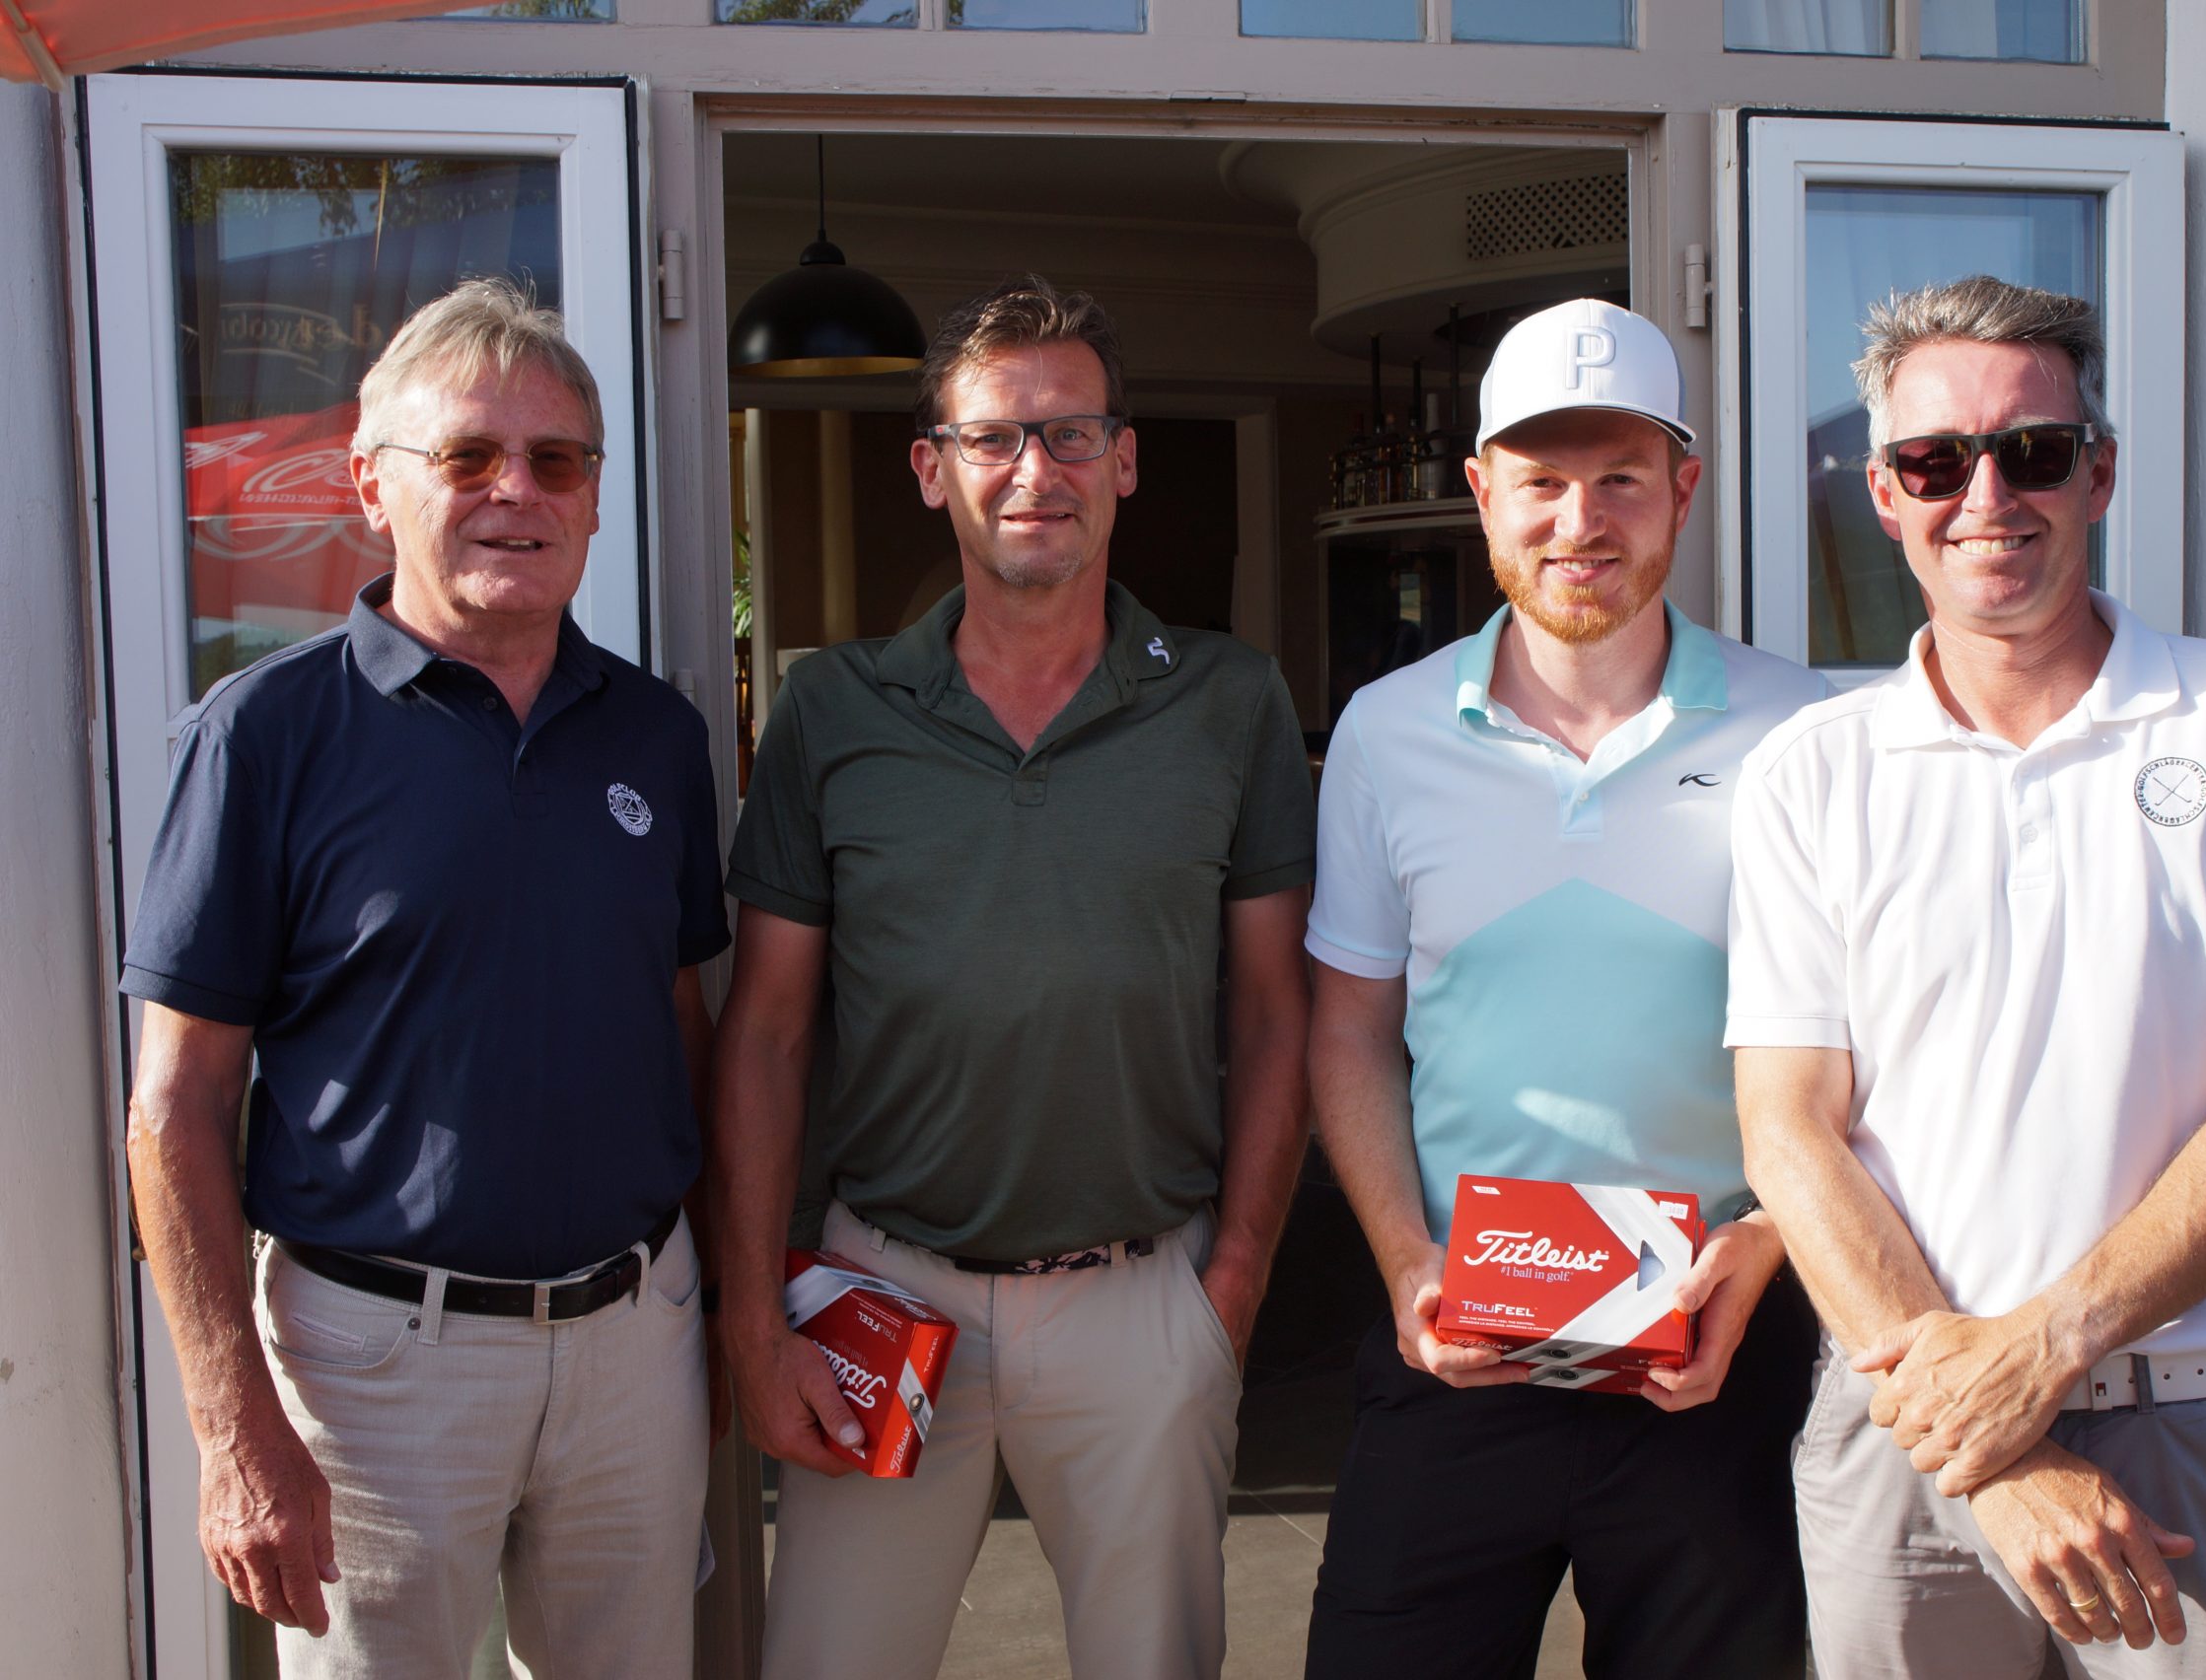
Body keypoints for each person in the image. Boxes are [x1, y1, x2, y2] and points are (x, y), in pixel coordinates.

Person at [1727, 274, 2206, 1678]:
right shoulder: (1810, 770)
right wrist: (1995, 1441)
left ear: (2098, 474)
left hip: (2190, 1421)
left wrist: (2041, 1351)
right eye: (1934, 460)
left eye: (2031, 451)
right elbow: (1787, 1129)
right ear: (1884, 494)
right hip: (1906, 1433)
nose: (1987, 496)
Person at [120, 277, 727, 1678]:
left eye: (556, 459)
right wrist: (234, 1431)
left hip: (636, 1341)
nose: (516, 490)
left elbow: (679, 1026)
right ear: (370, 483)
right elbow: (175, 1107)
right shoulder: (265, 736)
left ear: (593, 496)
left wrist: (715, 1316)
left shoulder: (655, 735)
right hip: (377, 1367)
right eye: (466, 454)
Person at [712, 273, 1315, 1680]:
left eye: (1071, 432)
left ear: (1124, 461)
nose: (1034, 468)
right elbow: (767, 1033)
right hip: (880, 1288)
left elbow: (1277, 1012)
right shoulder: (834, 709)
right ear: (933, 469)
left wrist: (1229, 1287)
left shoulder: (1229, 701)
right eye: (992, 437)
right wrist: (753, 1319)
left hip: (1141, 1298)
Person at [1303, 298, 1830, 1679]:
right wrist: (1405, 1262)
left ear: (1684, 492)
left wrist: (1775, 1239)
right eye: (1540, 481)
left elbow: (1882, 1048)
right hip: (1460, 1345)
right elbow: (1348, 1031)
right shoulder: (1386, 733)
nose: (1579, 522)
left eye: (1621, 480)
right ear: (1484, 493)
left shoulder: (1812, 732)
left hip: (1719, 1355)